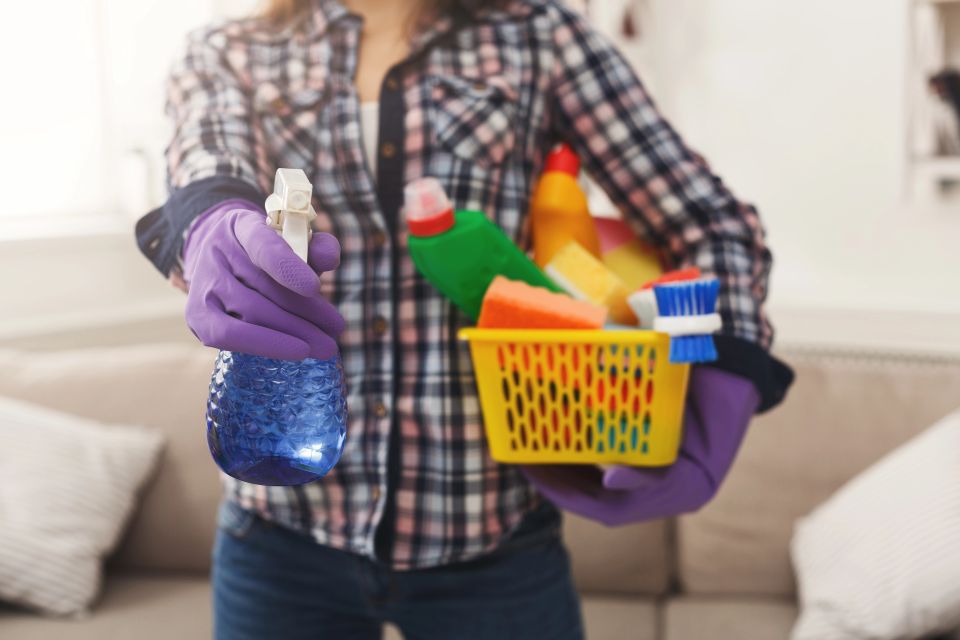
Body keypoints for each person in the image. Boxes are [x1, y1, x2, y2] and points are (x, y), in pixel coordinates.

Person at [135, 0, 793, 638]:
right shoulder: (226, 51)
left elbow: (713, 224)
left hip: (493, 542)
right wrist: (209, 218)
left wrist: (728, 371)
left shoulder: (540, 36)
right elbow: (207, 159)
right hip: (277, 535)